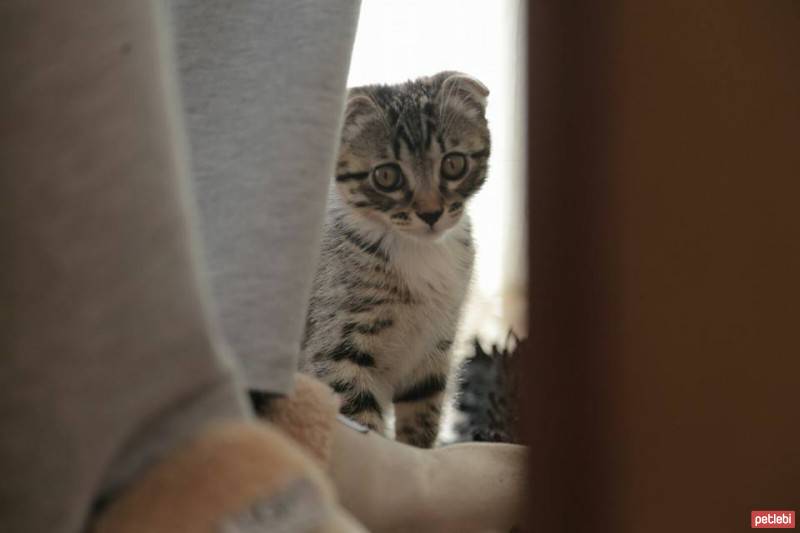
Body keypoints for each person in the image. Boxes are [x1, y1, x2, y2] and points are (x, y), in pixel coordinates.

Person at [0, 2, 526, 532]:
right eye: (391, 180)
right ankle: (298, 440)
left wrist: (420, 454)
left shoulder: (456, 245)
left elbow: (426, 380)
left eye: (453, 168)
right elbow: (337, 366)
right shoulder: (349, 254)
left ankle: (384, 465)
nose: (431, 204)